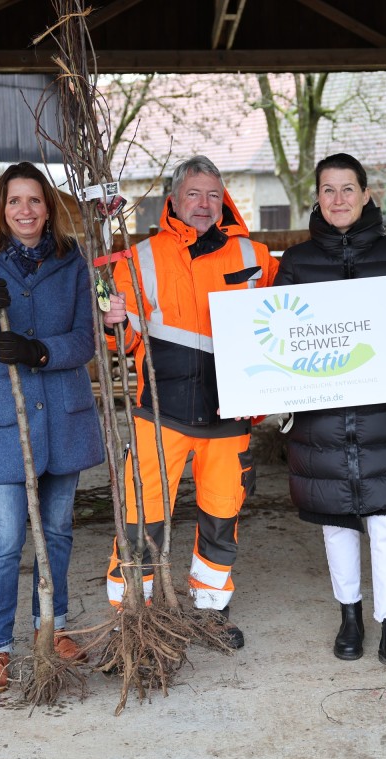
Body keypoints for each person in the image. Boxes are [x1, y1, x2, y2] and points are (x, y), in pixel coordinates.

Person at [0, 162, 125, 694]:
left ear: (49, 207)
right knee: (7, 537)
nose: (25, 211)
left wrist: (40, 351)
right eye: (14, 201)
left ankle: (55, 624)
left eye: (35, 201)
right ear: (0, 208)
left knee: (59, 531)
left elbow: (88, 340)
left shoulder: (73, 262)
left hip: (61, 419)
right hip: (3, 424)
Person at [104, 155, 278, 648]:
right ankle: (132, 619)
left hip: (229, 413)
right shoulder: (140, 259)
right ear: (173, 201)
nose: (204, 205)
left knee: (222, 515)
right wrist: (115, 322)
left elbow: (287, 322)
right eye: (194, 195)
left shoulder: (255, 255)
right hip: (161, 413)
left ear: (224, 201)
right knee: (142, 515)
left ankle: (211, 612)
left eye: (213, 195)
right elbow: (127, 337)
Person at [274, 153, 386, 682]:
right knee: (336, 524)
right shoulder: (295, 263)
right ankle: (350, 617)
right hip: (321, 419)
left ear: (367, 195)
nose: (338, 199)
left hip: (382, 413)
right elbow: (278, 335)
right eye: (327, 190)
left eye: (348, 189)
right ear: (316, 198)